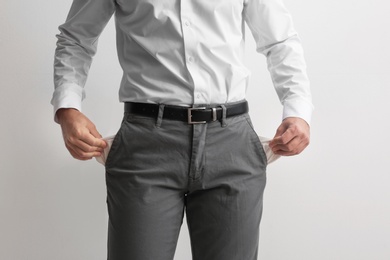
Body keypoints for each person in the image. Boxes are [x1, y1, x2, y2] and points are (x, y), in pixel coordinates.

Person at [52, 0, 313, 259]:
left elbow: (280, 41)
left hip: (231, 145)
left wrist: (297, 111)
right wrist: (68, 109)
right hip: (146, 146)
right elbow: (76, 38)